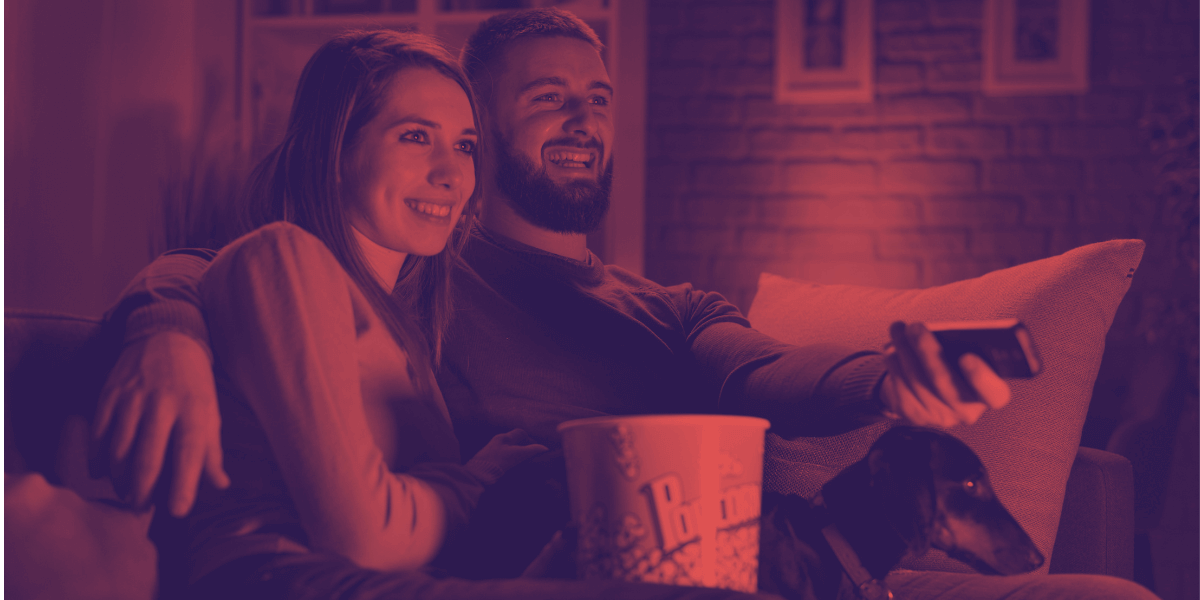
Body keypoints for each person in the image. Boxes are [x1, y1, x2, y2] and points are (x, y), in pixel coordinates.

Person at [95, 9, 1157, 600]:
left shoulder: (668, 306)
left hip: (727, 538)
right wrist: (163, 330)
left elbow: (765, 370)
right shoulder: (422, 271)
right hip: (540, 549)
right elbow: (242, 269)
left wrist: (891, 374)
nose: (582, 118)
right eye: (544, 97)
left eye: (598, 97)